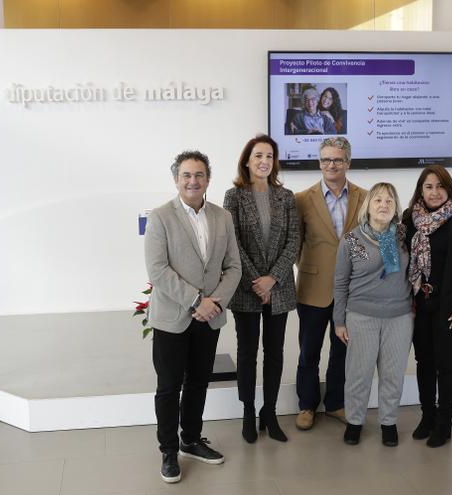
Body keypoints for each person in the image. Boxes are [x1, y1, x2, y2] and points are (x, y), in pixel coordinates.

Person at [144, 150, 241, 483]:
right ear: (176, 179)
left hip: (208, 317)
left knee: (198, 381)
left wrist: (213, 303)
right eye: (186, 175)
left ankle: (191, 440)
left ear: (208, 179)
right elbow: (158, 270)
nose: (193, 181)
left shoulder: (222, 217)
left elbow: (234, 266)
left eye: (199, 175)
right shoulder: (159, 217)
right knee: (169, 387)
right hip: (173, 316)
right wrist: (196, 301)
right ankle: (169, 451)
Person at [223, 135, 299, 444]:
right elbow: (232, 244)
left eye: (269, 155)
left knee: (275, 353)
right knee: (246, 354)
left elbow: (294, 240)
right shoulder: (234, 196)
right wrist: (257, 280)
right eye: (258, 156)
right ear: (247, 161)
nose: (264, 161)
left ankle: (269, 411)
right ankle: (248, 411)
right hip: (245, 288)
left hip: (278, 288)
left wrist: (273, 279)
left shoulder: (287, 196)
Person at [403, 165, 452, 447]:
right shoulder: (410, 220)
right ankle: (428, 416)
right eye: (428, 186)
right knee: (423, 362)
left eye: (439, 186)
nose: (434, 192)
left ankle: (444, 423)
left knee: (446, 363)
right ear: (420, 191)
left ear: (448, 188)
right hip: (418, 304)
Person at [294, 137, 368, 430]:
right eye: (326, 159)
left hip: (352, 291)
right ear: (319, 162)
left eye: (337, 160)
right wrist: (312, 268)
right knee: (308, 351)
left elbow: (370, 239)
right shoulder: (302, 199)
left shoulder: (365, 197)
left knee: (343, 351)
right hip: (313, 288)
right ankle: (306, 405)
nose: (331, 165)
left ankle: (336, 402)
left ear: (348, 162)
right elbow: (295, 243)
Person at [333, 182, 413, 447]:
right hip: (361, 316)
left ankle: (388, 422)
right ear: (368, 206)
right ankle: (355, 422)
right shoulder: (353, 240)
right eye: (377, 200)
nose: (383, 205)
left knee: (392, 374)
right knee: (359, 373)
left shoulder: (404, 236)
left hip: (399, 317)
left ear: (396, 208)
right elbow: (341, 283)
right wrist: (339, 321)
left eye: (389, 201)